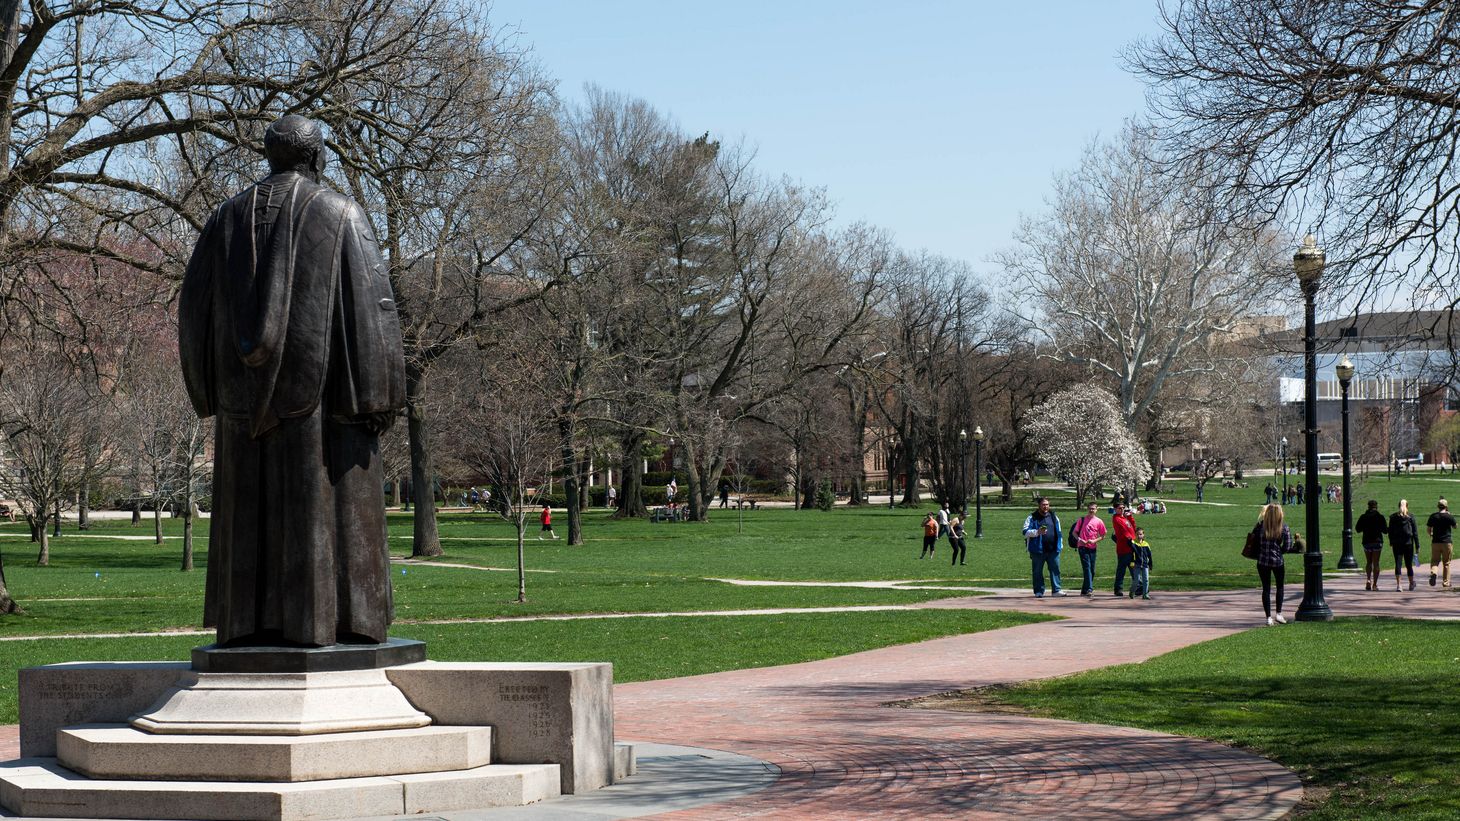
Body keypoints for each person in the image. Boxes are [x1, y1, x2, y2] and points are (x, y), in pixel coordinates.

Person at [178, 115, 406, 647]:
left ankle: (245, 624)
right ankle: (324, 623)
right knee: (320, 509)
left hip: (239, 401)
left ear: (269, 158)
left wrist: (206, 389)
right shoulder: (340, 213)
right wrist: (376, 399)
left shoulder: (225, 218)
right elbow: (372, 308)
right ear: (316, 158)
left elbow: (193, 309)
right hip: (323, 403)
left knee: (248, 515)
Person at [1251, 504, 1296, 626]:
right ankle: (1279, 614)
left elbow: (1254, 542)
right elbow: (1287, 546)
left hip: (1262, 561)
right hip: (1277, 561)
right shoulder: (1284, 528)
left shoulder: (1260, 527)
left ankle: (1268, 617)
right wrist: (1279, 552)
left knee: (1266, 589)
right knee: (1280, 587)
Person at [1022, 496, 1065, 597]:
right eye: (1043, 505)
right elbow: (1025, 531)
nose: (1045, 507)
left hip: (1053, 549)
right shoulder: (1032, 517)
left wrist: (1060, 545)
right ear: (1039, 505)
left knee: (1055, 569)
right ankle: (1039, 591)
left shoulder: (1054, 516)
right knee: (1037, 571)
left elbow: (1058, 531)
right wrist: (1037, 532)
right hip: (1038, 550)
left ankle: (1056, 590)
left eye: (1047, 505)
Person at [1069, 501, 1107, 596]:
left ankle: (1084, 589)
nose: (1091, 510)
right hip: (1082, 547)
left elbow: (1103, 535)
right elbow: (1074, 533)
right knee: (1087, 568)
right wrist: (1080, 540)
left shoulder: (1099, 521)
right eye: (1090, 508)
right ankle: (1090, 589)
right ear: (1087, 509)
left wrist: (1094, 541)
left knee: (1092, 570)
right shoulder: (1081, 520)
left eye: (1093, 509)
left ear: (1096, 510)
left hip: (1092, 547)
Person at [1354, 499, 1388, 591]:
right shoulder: (1380, 517)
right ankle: (1375, 584)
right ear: (1376, 507)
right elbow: (1385, 531)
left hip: (1367, 541)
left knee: (1369, 562)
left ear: (1368, 506)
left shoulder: (1363, 516)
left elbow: (1357, 529)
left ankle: (1368, 580)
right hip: (1377, 541)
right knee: (1376, 562)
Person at [1389, 499, 1419, 591]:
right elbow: (1415, 533)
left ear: (1399, 506)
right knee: (1408, 564)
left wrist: (1391, 541)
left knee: (1398, 563)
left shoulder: (1393, 517)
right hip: (1408, 543)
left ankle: (1399, 585)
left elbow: (1390, 531)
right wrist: (1417, 545)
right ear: (1407, 506)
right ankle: (1411, 584)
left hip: (1397, 543)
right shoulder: (1411, 517)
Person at [1428, 498, 1456, 588]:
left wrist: (1431, 534)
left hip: (1436, 542)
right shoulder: (1449, 516)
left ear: (1438, 506)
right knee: (1446, 563)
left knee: (1435, 561)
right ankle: (1446, 582)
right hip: (1447, 542)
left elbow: (1428, 529)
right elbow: (1455, 526)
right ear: (1446, 506)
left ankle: (1434, 573)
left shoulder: (1433, 516)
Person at [1110, 502, 1137, 597]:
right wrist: (1130, 540)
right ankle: (1118, 589)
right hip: (1123, 548)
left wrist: (1130, 517)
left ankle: (1138, 587)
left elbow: (1133, 529)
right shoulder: (1116, 518)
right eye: (1119, 508)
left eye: (1123, 508)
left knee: (1134, 568)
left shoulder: (1125, 518)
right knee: (1121, 570)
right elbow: (1123, 531)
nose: (1122, 509)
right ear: (1115, 509)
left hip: (1132, 547)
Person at [1129, 527, 1153, 599]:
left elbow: (1150, 555)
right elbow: (1131, 550)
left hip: (1145, 565)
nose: (1139, 536)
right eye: (1137, 534)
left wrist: (1150, 564)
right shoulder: (1134, 543)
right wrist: (1132, 562)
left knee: (1146, 580)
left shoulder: (1146, 544)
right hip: (1137, 565)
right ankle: (1132, 592)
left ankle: (1145, 594)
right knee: (1136, 580)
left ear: (1143, 535)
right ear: (1135, 535)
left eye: (1140, 534)